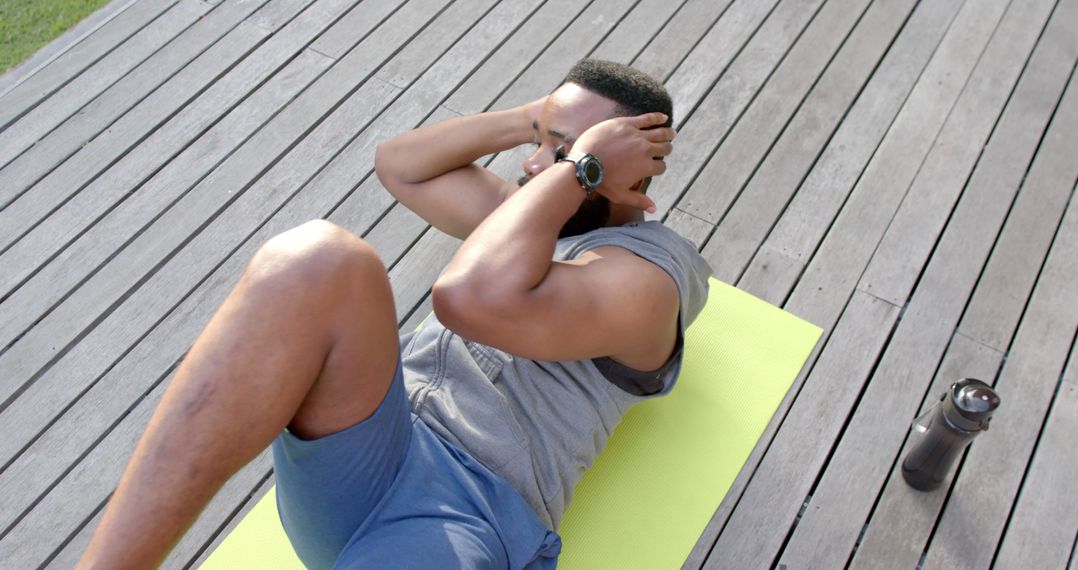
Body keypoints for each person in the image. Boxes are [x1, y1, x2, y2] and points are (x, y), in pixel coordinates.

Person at [78, 59, 711, 569]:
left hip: (466, 512)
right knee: (319, 258)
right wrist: (535, 120)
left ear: (634, 176)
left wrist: (579, 164)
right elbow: (401, 165)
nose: (534, 166)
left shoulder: (651, 276)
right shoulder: (534, 218)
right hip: (371, 443)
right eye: (543, 146)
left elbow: (468, 300)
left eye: (565, 153)